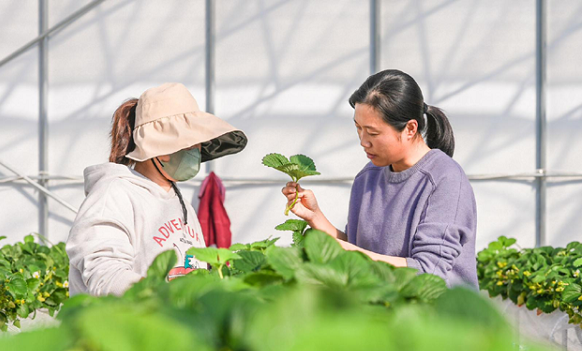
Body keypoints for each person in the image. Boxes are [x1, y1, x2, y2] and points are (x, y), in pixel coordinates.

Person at [282, 69, 478, 288]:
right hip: (383, 316)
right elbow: (361, 249)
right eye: (358, 129)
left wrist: (345, 251)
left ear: (410, 128)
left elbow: (428, 273)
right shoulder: (368, 177)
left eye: (373, 133)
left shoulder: (444, 179)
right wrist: (316, 217)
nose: (363, 141)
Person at [67, 83, 247, 296]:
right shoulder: (114, 193)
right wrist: (164, 296)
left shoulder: (181, 203)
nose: (199, 151)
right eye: (192, 144)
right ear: (162, 149)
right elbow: (105, 275)